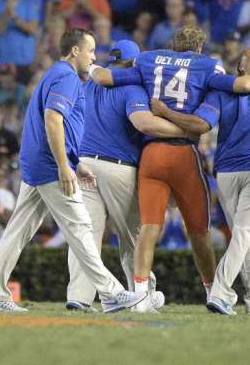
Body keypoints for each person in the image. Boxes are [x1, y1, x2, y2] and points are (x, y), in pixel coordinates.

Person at [90, 26, 250, 312]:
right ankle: (214, 291)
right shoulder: (207, 65)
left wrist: (86, 63)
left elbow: (104, 76)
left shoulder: (148, 59)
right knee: (198, 232)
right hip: (182, 153)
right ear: (199, 47)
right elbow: (240, 88)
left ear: (172, 44)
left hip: (150, 154)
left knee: (148, 229)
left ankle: (140, 294)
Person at [0, 28, 148, 313]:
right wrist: (63, 165)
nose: (94, 57)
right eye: (91, 50)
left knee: (17, 232)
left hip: (36, 162)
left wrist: (76, 162)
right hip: (49, 165)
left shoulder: (55, 74)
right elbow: (53, 120)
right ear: (74, 51)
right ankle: (112, 293)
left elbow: (61, 125)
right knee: (81, 227)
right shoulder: (67, 77)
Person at [150, 48, 250, 316]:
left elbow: (198, 124)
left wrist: (165, 112)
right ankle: (220, 293)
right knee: (244, 234)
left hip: (227, 174)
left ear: (239, 70)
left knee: (246, 237)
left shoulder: (220, 94)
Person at [65, 40, 187, 312]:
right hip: (117, 166)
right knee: (133, 235)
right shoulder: (131, 87)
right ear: (134, 63)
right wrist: (183, 130)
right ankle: (143, 295)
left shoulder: (90, 85)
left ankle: (79, 296)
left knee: (86, 236)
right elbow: (142, 122)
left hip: (84, 163)